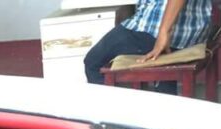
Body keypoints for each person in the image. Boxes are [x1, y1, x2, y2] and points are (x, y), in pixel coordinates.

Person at [83, 0, 212, 94]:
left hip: (156, 27)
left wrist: (164, 32)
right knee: (163, 75)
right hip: (191, 29)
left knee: (94, 62)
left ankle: (117, 122)